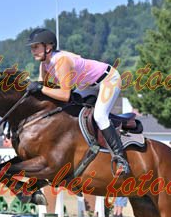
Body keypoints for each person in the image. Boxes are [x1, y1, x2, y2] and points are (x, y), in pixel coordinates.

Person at [25, 28, 130, 175]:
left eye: (36, 47)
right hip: (87, 85)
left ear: (48, 47)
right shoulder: (44, 64)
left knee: (100, 116)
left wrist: (40, 88)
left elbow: (63, 94)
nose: (33, 51)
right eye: (32, 48)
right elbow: (44, 88)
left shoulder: (61, 61)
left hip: (108, 79)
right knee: (70, 107)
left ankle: (121, 159)